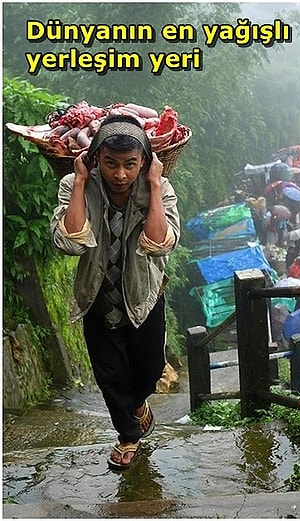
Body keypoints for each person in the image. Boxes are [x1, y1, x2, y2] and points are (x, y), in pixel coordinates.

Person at [50, 115, 181, 470]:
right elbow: (69, 243)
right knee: (109, 374)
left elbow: (160, 244)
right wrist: (80, 182)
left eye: (129, 165)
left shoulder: (159, 188)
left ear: (144, 162)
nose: (120, 174)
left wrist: (155, 186)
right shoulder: (74, 185)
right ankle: (128, 436)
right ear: (96, 159)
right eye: (110, 163)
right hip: (97, 296)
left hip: (143, 296)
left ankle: (138, 405)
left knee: (151, 368)